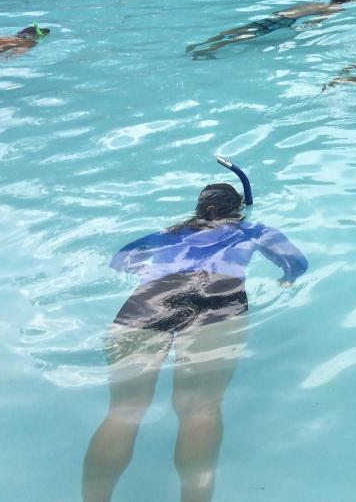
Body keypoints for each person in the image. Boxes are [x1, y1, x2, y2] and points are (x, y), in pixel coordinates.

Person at [83, 157, 307, 502]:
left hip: (151, 297)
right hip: (218, 296)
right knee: (200, 407)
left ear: (201, 209)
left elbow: (122, 259)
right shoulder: (253, 230)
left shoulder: (169, 232)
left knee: (124, 410)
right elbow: (295, 262)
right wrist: (287, 279)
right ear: (237, 211)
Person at [187, 0, 356, 59]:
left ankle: (201, 43)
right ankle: (207, 51)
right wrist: (305, 28)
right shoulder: (334, 7)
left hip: (278, 15)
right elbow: (317, 21)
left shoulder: (315, 2)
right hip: (286, 22)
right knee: (247, 36)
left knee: (238, 30)